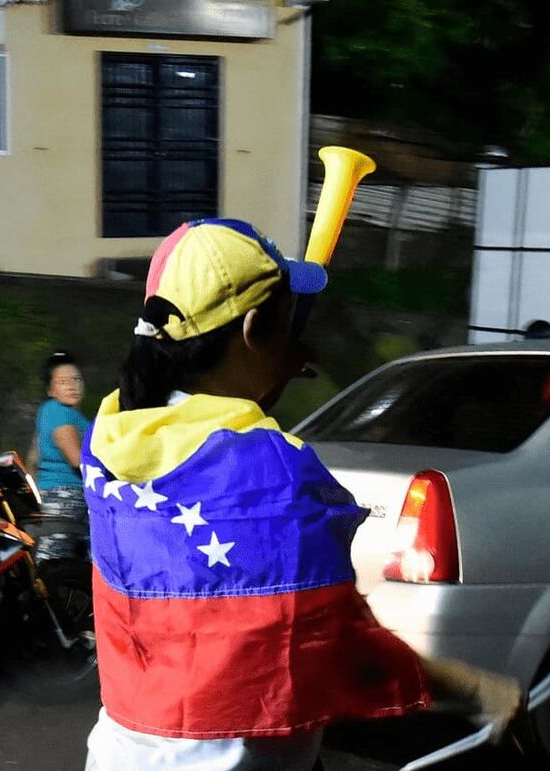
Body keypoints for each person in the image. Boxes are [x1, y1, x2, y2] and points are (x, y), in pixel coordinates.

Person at [80, 219, 521, 770]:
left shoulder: (112, 439)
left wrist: (261, 378)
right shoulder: (276, 474)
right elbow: (335, 642)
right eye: (288, 325)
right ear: (254, 328)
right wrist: (476, 688)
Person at [26, 351, 91, 562]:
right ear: (51, 390)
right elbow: (78, 460)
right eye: (63, 382)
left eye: (76, 379)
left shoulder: (62, 412)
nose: (72, 385)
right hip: (66, 498)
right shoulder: (58, 411)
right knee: (56, 567)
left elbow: (33, 459)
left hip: (59, 498)